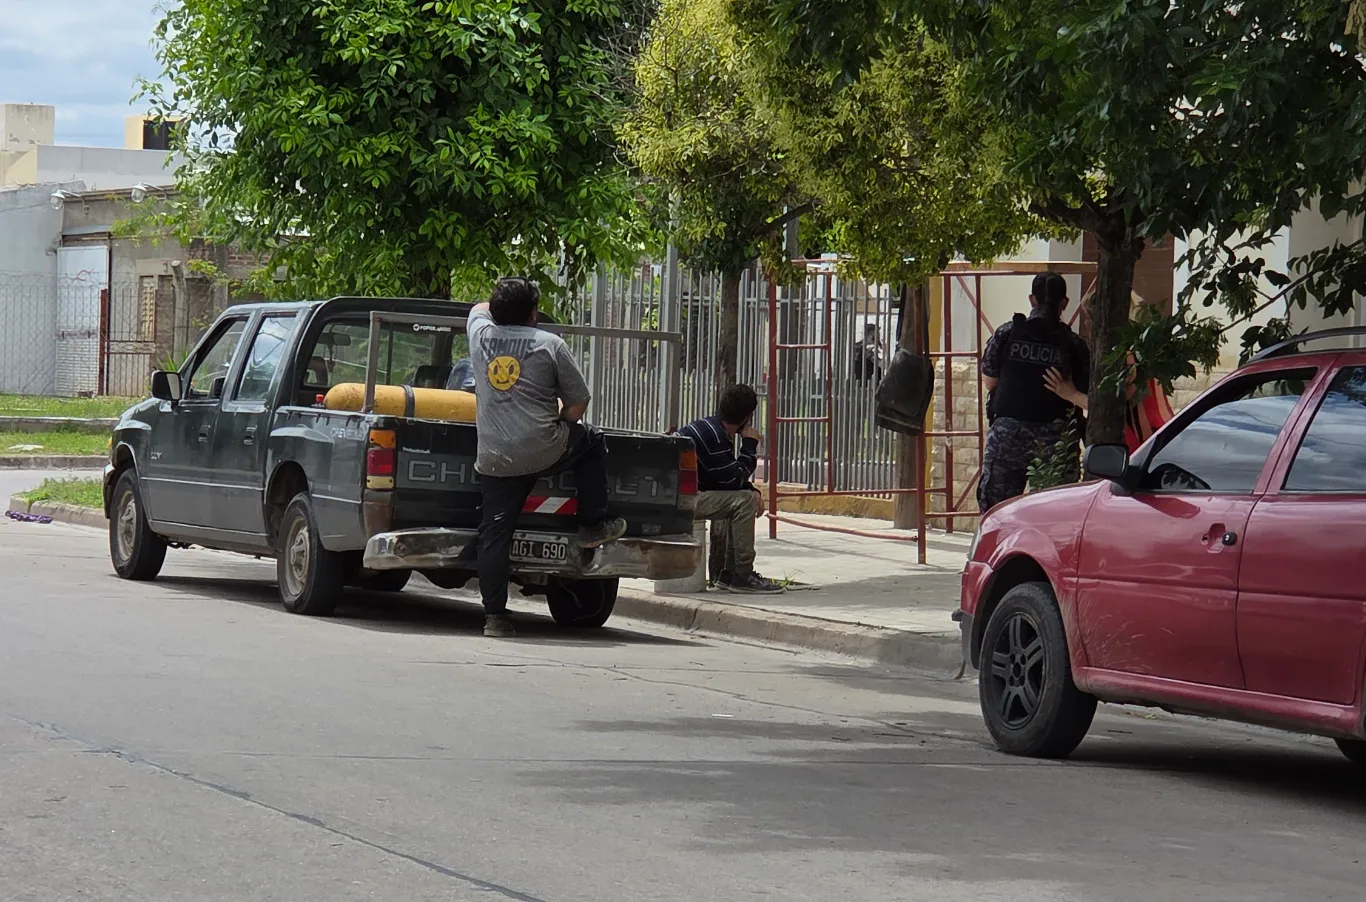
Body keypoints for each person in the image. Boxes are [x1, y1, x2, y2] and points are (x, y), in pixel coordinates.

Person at [469, 277, 627, 638]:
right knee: (592, 439)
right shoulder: (550, 344)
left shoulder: (479, 336)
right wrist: (558, 424)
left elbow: (477, 309)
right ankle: (591, 525)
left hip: (495, 456)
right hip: (545, 448)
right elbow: (578, 404)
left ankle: (494, 617)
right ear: (533, 314)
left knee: (494, 533)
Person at [977, 271, 1089, 512]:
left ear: (1031, 299)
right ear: (1064, 303)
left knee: (998, 512)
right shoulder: (1074, 344)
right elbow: (1090, 395)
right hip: (1055, 439)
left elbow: (989, 380)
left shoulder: (1007, 333)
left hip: (1008, 437)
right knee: (1052, 515)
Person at [678, 385, 785, 594]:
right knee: (743, 501)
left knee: (741, 496)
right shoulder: (716, 437)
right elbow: (734, 479)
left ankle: (730, 573)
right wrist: (749, 444)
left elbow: (724, 480)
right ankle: (743, 573)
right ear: (748, 416)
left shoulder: (709, 427)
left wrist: (749, 488)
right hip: (683, 499)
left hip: (681, 494)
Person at [1042, 292, 1175, 454]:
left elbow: (1108, 406)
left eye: (1088, 320)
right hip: (1164, 429)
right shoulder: (1142, 344)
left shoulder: (1122, 355)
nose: (1086, 325)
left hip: (1144, 440)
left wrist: (1070, 394)